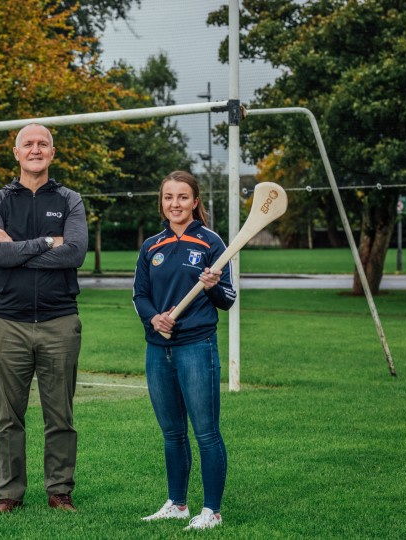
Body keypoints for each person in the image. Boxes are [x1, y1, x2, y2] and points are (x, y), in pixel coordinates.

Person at [0, 123, 87, 513]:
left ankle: (60, 492)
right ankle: (9, 495)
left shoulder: (70, 199)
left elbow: (75, 253)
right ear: (16, 152)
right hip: (8, 321)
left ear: (53, 153)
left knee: (61, 415)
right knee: (9, 418)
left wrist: (19, 249)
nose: (36, 149)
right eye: (29, 143)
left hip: (60, 321)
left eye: (43, 143)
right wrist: (46, 242)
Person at [133, 170, 236, 530]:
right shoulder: (151, 247)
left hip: (197, 346)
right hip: (158, 350)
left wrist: (211, 286)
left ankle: (212, 511)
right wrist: (154, 319)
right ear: (161, 202)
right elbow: (139, 295)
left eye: (181, 197)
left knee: (206, 431)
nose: (174, 204)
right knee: (172, 432)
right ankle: (177, 504)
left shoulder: (211, 243)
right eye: (167, 197)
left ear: (195, 202)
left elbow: (228, 300)